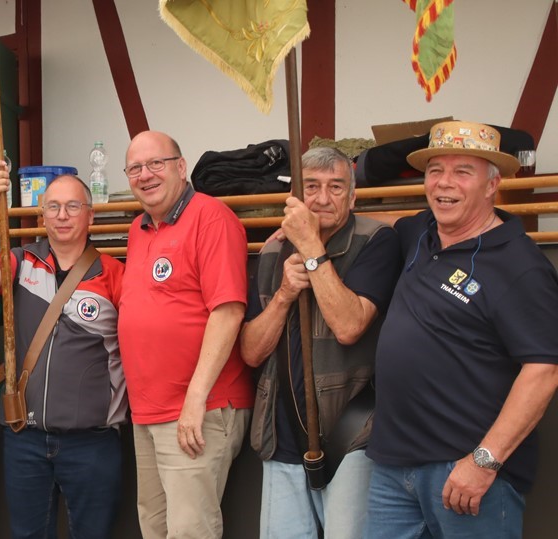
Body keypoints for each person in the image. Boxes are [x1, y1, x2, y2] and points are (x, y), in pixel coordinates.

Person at [365, 120, 558, 538]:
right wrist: (315, 223)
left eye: (462, 172)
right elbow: (388, 219)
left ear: (492, 185)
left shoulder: (520, 266)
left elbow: (543, 371)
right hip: (392, 467)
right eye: (435, 170)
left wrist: (484, 461)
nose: (444, 183)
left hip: (466, 473)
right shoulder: (422, 233)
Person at [239, 147, 401, 538]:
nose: (323, 198)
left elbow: (349, 326)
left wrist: (312, 249)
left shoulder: (375, 241)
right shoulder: (272, 251)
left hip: (351, 434)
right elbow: (251, 352)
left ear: (353, 196)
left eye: (336, 187)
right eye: (311, 187)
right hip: (280, 435)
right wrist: (284, 295)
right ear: (294, 197)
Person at [0, 166, 127, 538]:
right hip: (25, 437)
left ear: (91, 215)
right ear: (42, 216)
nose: (62, 215)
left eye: (73, 206)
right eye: (53, 206)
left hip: (93, 440)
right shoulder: (22, 261)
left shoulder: (114, 274)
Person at [118, 130, 253, 538]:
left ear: (180, 167)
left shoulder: (212, 218)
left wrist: (194, 400)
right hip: (149, 412)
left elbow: (228, 312)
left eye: (155, 164)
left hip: (198, 409)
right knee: (155, 527)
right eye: (135, 168)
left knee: (190, 531)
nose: (145, 175)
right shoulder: (139, 228)